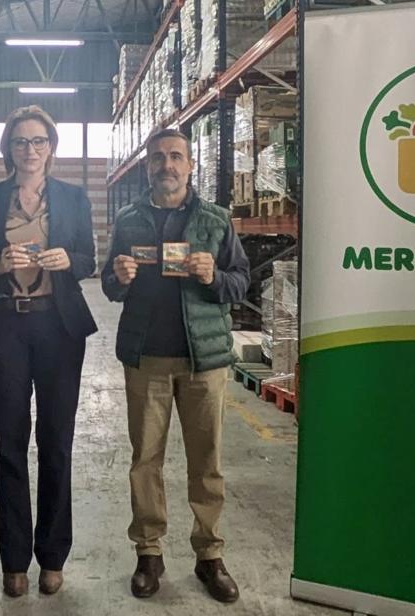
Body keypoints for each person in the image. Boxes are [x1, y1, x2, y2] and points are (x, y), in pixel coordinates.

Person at [100, 128, 250, 603]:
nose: (167, 165)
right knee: (145, 460)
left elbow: (241, 282)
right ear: (148, 166)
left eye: (176, 157)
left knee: (206, 462)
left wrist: (214, 277)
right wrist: (118, 277)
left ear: (189, 164)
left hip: (203, 362)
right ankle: (149, 551)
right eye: (159, 158)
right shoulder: (128, 219)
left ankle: (209, 553)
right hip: (147, 358)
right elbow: (109, 283)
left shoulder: (215, 219)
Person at [0, 106, 97, 598]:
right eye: (21, 142)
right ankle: (14, 559)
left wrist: (70, 261)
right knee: (9, 443)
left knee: (57, 441)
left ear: (51, 147)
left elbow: (89, 258)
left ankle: (53, 556)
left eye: (39, 141)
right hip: (5, 330)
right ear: (9, 149)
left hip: (59, 329)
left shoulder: (73, 198)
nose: (31, 150)